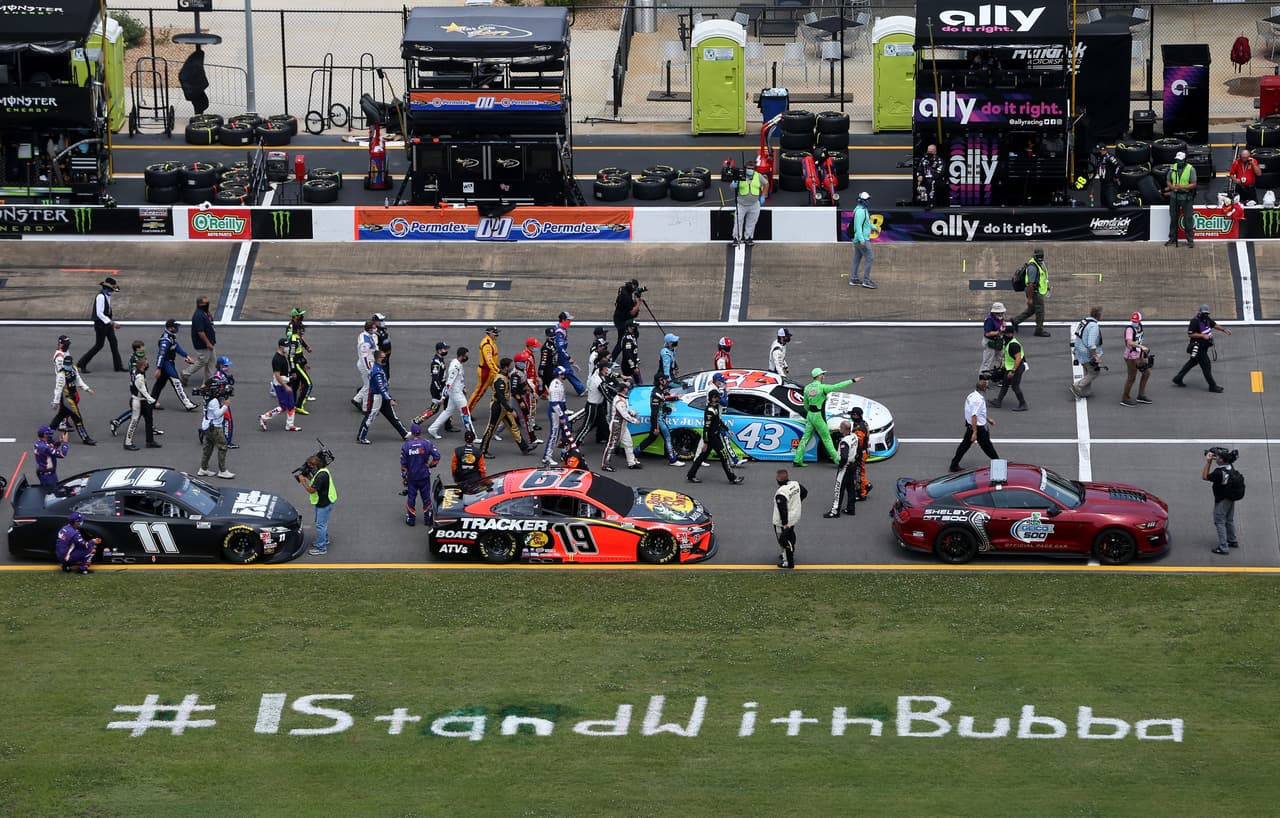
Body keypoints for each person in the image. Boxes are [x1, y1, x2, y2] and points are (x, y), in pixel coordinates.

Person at [794, 367, 860, 467]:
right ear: (819, 376)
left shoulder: (807, 388)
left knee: (805, 438)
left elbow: (806, 405)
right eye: (822, 374)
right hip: (818, 416)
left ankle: (797, 459)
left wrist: (810, 413)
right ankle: (838, 461)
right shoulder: (822, 388)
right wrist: (852, 380)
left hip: (810, 415)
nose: (823, 376)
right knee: (827, 439)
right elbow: (838, 386)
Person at [686, 385, 744, 484]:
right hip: (712, 437)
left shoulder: (715, 407)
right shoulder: (709, 410)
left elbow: (718, 421)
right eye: (717, 398)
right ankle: (732, 478)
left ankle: (690, 475)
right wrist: (705, 442)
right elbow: (706, 428)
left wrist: (727, 429)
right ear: (712, 398)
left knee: (702, 457)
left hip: (715, 436)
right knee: (724, 456)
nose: (718, 399)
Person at [479, 358, 533, 457]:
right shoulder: (500, 380)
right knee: (491, 428)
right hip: (498, 407)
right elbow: (501, 398)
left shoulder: (505, 375)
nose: (513, 367)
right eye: (511, 365)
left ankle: (524, 447)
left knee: (514, 427)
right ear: (506, 367)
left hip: (504, 407)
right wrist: (511, 410)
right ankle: (483, 450)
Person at [1173, 304, 1231, 391]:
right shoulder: (1194, 321)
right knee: (1206, 366)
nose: (1206, 315)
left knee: (1192, 362)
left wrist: (1224, 329)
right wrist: (1202, 335)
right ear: (1199, 312)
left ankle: (1178, 378)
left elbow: (1214, 325)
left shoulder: (1206, 319)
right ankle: (1212, 386)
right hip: (1198, 348)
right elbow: (1190, 334)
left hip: (1204, 347)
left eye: (1207, 313)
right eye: (1204, 313)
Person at [358, 350, 409, 444]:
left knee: (392, 416)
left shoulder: (379, 368)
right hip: (376, 398)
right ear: (378, 359)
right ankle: (361, 437)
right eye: (383, 357)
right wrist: (389, 399)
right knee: (370, 417)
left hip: (382, 397)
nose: (385, 359)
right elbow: (381, 387)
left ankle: (404, 433)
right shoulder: (377, 371)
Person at [948, 379, 999, 472]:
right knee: (987, 446)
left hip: (970, 425)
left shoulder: (971, 395)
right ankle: (998, 464)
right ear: (984, 388)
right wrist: (975, 432)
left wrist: (988, 418)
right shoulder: (979, 400)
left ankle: (954, 465)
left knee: (964, 445)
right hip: (978, 428)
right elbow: (974, 415)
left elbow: (978, 412)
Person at [77, 276, 125, 373]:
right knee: (98, 345)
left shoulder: (106, 296)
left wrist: (110, 322)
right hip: (101, 325)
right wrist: (112, 323)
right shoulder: (101, 297)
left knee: (114, 343)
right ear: (108, 288)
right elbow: (99, 313)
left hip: (107, 324)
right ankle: (81, 363)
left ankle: (118, 366)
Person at [150, 319, 197, 412]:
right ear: (170, 328)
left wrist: (186, 356)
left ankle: (151, 402)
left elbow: (176, 347)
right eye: (175, 327)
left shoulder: (171, 336)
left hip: (169, 363)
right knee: (177, 383)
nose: (176, 328)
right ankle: (188, 404)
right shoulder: (165, 340)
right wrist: (158, 368)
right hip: (167, 364)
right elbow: (161, 355)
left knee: (159, 384)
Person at [401, 423, 442, 527]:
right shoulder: (427, 443)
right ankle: (427, 519)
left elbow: (403, 465)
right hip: (424, 476)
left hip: (412, 477)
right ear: (420, 432)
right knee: (426, 497)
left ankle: (411, 519)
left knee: (411, 498)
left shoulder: (406, 446)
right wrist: (430, 465)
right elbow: (437, 456)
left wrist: (404, 477)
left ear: (412, 433)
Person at [1203, 448, 1242, 555]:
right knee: (1229, 519)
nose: (1216, 457)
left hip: (1222, 499)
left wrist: (1208, 462)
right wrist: (1216, 457)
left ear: (1221, 460)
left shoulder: (1219, 472)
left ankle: (1223, 547)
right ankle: (1232, 540)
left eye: (1217, 457)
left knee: (1219, 522)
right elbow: (1224, 459)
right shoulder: (1230, 466)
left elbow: (1205, 476)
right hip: (1231, 497)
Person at [50, 355, 95, 445]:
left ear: (72, 364)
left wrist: (87, 388)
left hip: (72, 397)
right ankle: (85, 438)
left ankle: (47, 435)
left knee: (59, 417)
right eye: (65, 364)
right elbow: (58, 389)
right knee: (77, 418)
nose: (67, 366)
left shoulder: (74, 369)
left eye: (69, 364)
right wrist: (55, 402)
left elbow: (78, 380)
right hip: (68, 399)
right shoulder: (61, 374)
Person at [297, 455, 337, 557]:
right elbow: (316, 482)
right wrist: (308, 477)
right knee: (322, 523)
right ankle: (324, 540)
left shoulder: (321, 476)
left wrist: (303, 481)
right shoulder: (322, 470)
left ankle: (321, 548)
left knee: (320, 525)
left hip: (323, 503)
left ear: (314, 465)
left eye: (309, 465)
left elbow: (311, 490)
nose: (308, 467)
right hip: (327, 500)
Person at [259, 337, 302, 432]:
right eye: (286, 346)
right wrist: (285, 386)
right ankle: (264, 417)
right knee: (283, 407)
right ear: (280, 347)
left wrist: (291, 375)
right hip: (281, 385)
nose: (288, 348)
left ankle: (290, 425)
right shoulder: (277, 359)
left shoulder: (283, 356)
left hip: (286, 382)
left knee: (291, 405)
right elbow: (277, 375)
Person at [638, 374, 682, 466]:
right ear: (660, 381)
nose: (667, 380)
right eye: (665, 379)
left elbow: (664, 399)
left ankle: (635, 452)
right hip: (659, 420)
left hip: (659, 418)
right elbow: (655, 412)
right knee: (668, 437)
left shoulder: (661, 390)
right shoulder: (656, 394)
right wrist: (655, 427)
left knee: (652, 438)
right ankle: (672, 459)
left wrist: (674, 400)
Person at [429, 346, 471, 439]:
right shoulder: (455, 367)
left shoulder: (457, 363)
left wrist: (463, 387)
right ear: (462, 356)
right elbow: (448, 383)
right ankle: (472, 436)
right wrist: (443, 397)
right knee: (465, 413)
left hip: (456, 391)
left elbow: (459, 378)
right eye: (466, 356)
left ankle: (432, 429)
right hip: (456, 394)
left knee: (448, 411)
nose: (467, 358)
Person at [1010, 247, 1051, 337]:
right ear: (1034, 256)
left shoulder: (1040, 263)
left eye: (1041, 256)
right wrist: (1029, 299)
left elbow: (1043, 275)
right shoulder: (1032, 267)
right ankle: (1039, 330)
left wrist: (1047, 286)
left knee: (1032, 309)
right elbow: (1030, 285)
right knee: (1040, 311)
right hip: (1034, 292)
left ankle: (1015, 320)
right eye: (1038, 256)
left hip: (1037, 291)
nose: (1040, 258)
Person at [196, 380, 234, 479]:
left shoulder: (207, 397)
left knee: (208, 448)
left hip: (207, 426)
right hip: (215, 427)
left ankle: (203, 468)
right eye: (219, 388)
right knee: (223, 446)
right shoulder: (213, 401)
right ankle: (222, 471)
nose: (220, 390)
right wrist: (226, 406)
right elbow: (217, 414)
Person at [122, 355, 161, 451]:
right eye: (146, 363)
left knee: (149, 419)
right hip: (137, 401)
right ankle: (127, 443)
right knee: (134, 421)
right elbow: (144, 392)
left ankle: (150, 441)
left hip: (142, 401)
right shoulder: (139, 377)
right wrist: (154, 401)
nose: (148, 364)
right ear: (143, 366)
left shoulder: (136, 371)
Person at [601, 381, 641, 472]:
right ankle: (605, 465)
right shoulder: (619, 401)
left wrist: (632, 412)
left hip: (622, 425)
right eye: (626, 388)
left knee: (628, 443)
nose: (628, 389)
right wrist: (634, 420)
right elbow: (624, 414)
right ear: (624, 390)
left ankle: (631, 463)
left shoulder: (622, 398)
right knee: (611, 445)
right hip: (617, 426)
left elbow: (626, 410)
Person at [773, 469, 808, 569]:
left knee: (783, 539)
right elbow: (804, 492)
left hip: (783, 522)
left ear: (778, 479)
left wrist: (784, 523)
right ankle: (788, 552)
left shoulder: (781, 492)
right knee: (790, 535)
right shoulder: (795, 484)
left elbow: (782, 510)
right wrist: (796, 503)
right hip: (794, 516)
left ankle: (788, 561)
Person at [989, 324, 1028, 412]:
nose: (1003, 335)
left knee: (1015, 386)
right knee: (1005, 383)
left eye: (1005, 333)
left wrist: (1013, 371)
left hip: (1017, 367)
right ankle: (998, 401)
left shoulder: (1013, 345)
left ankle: (1023, 404)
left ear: (1010, 334)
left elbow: (1018, 359)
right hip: (1010, 367)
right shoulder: (1007, 342)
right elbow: (1005, 353)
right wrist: (1000, 363)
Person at [181, 295, 217, 387]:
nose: (208, 304)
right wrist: (207, 343)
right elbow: (200, 332)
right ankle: (186, 373)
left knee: (212, 361)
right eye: (206, 303)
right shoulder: (198, 316)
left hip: (210, 342)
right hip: (203, 344)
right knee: (203, 360)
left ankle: (208, 381)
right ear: (200, 304)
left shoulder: (205, 313)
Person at [1069, 306, 1105, 399]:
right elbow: (1091, 344)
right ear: (1098, 315)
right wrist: (1096, 357)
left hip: (1079, 350)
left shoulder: (1084, 321)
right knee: (1094, 372)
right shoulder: (1094, 326)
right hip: (1086, 354)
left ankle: (1085, 391)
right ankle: (1077, 386)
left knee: (1088, 371)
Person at [1121, 312, 1154, 407]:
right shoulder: (1129, 329)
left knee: (1146, 373)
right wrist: (1141, 347)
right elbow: (1130, 342)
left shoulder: (1140, 327)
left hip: (1139, 355)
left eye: (1136, 321)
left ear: (1139, 321)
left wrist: (1143, 354)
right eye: (1133, 321)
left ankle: (1141, 395)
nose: (1134, 322)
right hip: (1130, 357)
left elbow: (1139, 340)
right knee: (1131, 378)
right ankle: (1125, 398)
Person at [284, 307, 314, 414]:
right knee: (308, 384)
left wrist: (304, 361)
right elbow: (291, 355)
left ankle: (292, 403)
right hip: (295, 361)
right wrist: (293, 369)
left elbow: (299, 346)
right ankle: (299, 404)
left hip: (298, 359)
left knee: (295, 383)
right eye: (299, 314)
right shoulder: (292, 334)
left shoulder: (297, 336)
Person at [731, 159, 767, 246]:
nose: (750, 170)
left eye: (752, 168)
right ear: (745, 168)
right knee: (738, 222)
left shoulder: (758, 176)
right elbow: (731, 187)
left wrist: (763, 195)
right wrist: (733, 185)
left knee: (752, 222)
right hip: (741, 204)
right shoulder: (740, 175)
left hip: (754, 204)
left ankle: (748, 238)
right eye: (748, 168)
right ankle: (736, 238)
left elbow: (766, 184)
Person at [1165, 151, 1197, 247]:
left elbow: (1194, 184)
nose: (1178, 162)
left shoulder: (1191, 169)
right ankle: (1172, 238)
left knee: (1188, 219)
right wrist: (1172, 187)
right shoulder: (1173, 167)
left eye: (1180, 160)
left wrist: (1182, 187)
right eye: (1177, 160)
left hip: (1186, 197)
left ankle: (1190, 240)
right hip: (1174, 196)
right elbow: (1168, 180)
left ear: (1184, 160)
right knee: (1173, 218)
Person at [541, 366, 571, 466]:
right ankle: (547, 457)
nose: (565, 375)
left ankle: (565, 453)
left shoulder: (559, 383)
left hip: (560, 411)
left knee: (565, 432)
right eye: (563, 373)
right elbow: (554, 404)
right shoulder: (555, 386)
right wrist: (561, 416)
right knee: (554, 434)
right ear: (560, 375)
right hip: (555, 413)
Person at [552, 311, 587, 395]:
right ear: (563, 320)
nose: (570, 322)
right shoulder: (559, 331)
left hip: (559, 354)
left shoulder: (561, 328)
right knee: (568, 371)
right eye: (568, 320)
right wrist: (568, 357)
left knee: (559, 371)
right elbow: (560, 348)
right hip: (560, 355)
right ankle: (580, 389)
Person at [847, 191, 876, 288]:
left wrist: (874, 228)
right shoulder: (860, 212)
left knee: (857, 259)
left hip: (859, 239)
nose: (868, 201)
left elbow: (867, 223)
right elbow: (858, 227)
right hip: (861, 239)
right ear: (862, 201)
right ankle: (866, 281)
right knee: (870, 257)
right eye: (867, 199)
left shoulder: (863, 209)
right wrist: (862, 240)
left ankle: (853, 279)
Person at [469, 326, 501, 411]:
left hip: (491, 371)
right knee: (479, 393)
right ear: (489, 333)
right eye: (495, 333)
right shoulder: (487, 344)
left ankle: (499, 410)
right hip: (486, 372)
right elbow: (489, 361)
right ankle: (467, 412)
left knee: (499, 391)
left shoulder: (491, 342)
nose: (497, 335)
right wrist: (498, 371)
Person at [513, 337, 541, 428]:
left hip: (531, 380)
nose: (536, 348)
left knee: (532, 402)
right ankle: (531, 423)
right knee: (532, 403)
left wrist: (536, 377)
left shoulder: (528, 354)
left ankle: (525, 420)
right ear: (530, 346)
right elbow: (525, 371)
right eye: (535, 346)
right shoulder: (527, 357)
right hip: (530, 382)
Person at [581, 359, 611, 445]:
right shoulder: (599, 380)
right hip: (593, 406)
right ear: (603, 368)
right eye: (607, 368)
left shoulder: (596, 374)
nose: (608, 370)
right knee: (587, 426)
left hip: (597, 405)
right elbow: (606, 395)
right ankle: (575, 443)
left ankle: (607, 441)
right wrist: (616, 400)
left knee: (603, 424)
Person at [612, 279, 643, 358]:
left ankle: (632, 355)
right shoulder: (627, 298)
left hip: (621, 318)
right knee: (622, 341)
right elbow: (633, 312)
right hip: (622, 321)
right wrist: (639, 301)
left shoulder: (622, 290)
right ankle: (612, 359)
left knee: (635, 334)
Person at [210, 356, 236, 448]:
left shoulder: (224, 374)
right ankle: (227, 442)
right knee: (228, 421)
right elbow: (216, 389)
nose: (227, 367)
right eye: (226, 365)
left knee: (217, 421)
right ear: (220, 365)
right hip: (220, 401)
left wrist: (230, 377)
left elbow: (231, 383)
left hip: (223, 400)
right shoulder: (217, 376)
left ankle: (204, 433)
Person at [352, 320, 378, 410]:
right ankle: (365, 408)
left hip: (368, 363)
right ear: (370, 329)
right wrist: (369, 370)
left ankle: (357, 399)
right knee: (369, 387)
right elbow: (365, 357)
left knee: (368, 385)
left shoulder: (365, 335)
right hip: (366, 365)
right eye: (374, 328)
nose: (376, 329)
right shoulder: (365, 342)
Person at [452, 430, 487, 494]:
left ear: (464, 439)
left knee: (460, 494)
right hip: (474, 478)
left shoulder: (458, 450)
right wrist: (483, 479)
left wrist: (455, 476)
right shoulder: (478, 452)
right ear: (474, 439)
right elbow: (482, 468)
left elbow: (454, 465)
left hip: (461, 477)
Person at [980, 302, 1006, 378]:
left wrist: (1003, 325)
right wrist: (999, 332)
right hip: (990, 342)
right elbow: (987, 333)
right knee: (987, 361)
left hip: (998, 341)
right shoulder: (989, 320)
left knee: (1002, 359)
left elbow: (1002, 322)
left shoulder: (1000, 317)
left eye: (1002, 312)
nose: (1001, 314)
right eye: (1000, 313)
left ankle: (1000, 377)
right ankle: (983, 380)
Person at [1092, 143, 1121, 209]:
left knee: (1112, 204)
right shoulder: (1099, 158)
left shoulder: (1109, 157)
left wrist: (1116, 176)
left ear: (1103, 150)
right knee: (1103, 205)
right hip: (1103, 184)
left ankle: (1130, 201)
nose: (1097, 152)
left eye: (1099, 150)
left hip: (1110, 184)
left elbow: (1119, 165)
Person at [915, 144, 943, 208]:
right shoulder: (923, 160)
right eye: (928, 151)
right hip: (925, 179)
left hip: (937, 180)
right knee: (918, 182)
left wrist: (928, 177)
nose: (929, 153)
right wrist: (920, 175)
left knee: (931, 182)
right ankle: (919, 202)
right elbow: (919, 169)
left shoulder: (940, 161)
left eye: (931, 152)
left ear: (935, 152)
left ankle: (931, 203)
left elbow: (939, 174)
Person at [371, 312, 393, 381]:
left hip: (386, 356)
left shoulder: (383, 330)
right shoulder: (375, 333)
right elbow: (374, 346)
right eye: (380, 320)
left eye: (383, 320)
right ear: (375, 322)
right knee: (381, 373)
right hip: (380, 358)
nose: (382, 322)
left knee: (386, 372)